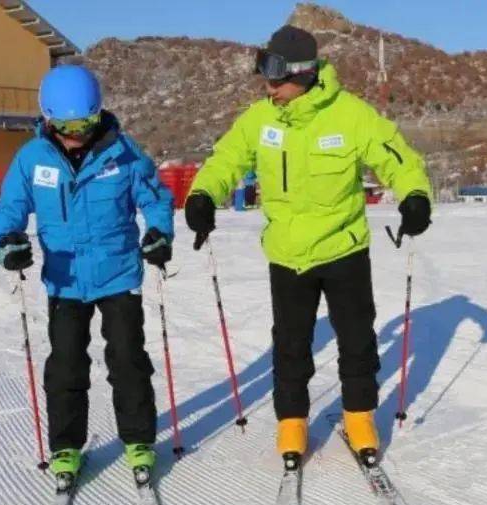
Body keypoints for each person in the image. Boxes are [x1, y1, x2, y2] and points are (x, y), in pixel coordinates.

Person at [184, 25, 432, 469]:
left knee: (357, 341)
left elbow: (398, 158)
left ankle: (359, 417)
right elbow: (225, 160)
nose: (269, 86)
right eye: (265, 76)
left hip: (344, 249)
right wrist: (202, 195)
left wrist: (414, 195)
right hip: (287, 255)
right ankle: (292, 422)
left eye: (276, 78)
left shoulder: (350, 115)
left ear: (302, 73)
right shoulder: (260, 119)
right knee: (291, 345)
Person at [0, 64, 175, 486]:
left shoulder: (124, 152)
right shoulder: (31, 159)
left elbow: (155, 198)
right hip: (65, 280)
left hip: (118, 274)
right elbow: (10, 210)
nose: (77, 133)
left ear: (99, 114)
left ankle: (139, 440)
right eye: (67, 125)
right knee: (66, 366)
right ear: (48, 117)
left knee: (128, 361)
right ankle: (66, 446)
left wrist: (160, 234)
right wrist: (8, 242)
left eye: (86, 123)